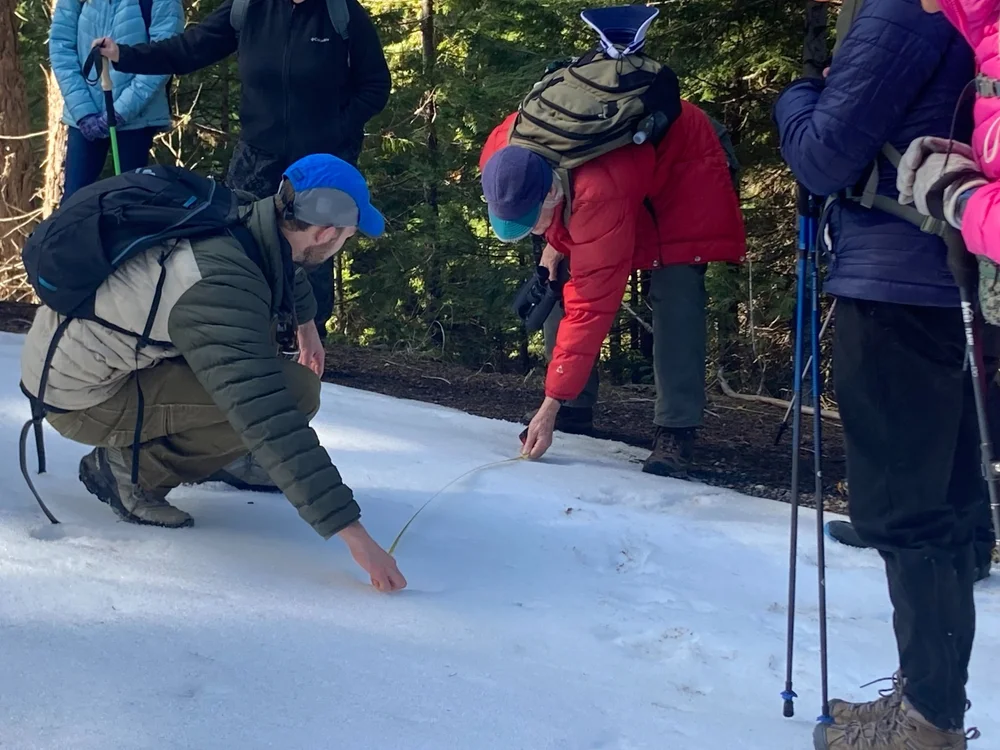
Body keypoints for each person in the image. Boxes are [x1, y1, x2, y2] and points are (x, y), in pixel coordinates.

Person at [19, 153, 407, 593]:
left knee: (261, 365)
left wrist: (307, 324)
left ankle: (221, 453)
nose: (343, 246)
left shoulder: (245, 212)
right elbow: (265, 413)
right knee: (292, 392)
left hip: (71, 358)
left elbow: (280, 265)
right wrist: (354, 536)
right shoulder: (220, 283)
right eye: (348, 238)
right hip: (82, 398)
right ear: (327, 232)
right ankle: (130, 471)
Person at [773, 0, 991, 746]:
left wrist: (797, 96)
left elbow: (824, 155)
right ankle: (932, 703)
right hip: (968, 284)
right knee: (953, 505)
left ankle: (927, 723)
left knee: (908, 512)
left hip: (896, 284)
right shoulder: (966, 17)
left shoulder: (904, 10)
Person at [92, 0, 392, 341]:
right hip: (257, 151)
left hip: (321, 159)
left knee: (313, 249)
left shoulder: (341, 13)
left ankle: (305, 338)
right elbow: (190, 49)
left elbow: (376, 85)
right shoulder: (248, 8)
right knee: (240, 236)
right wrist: (125, 55)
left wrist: (336, 129)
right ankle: (241, 328)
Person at [479, 101, 746, 466]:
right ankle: (574, 405)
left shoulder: (597, 190)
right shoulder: (501, 152)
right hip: (616, 171)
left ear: (552, 194)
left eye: (533, 221)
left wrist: (547, 404)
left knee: (676, 288)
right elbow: (555, 218)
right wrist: (553, 243)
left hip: (686, 165)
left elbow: (592, 303)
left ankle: (675, 428)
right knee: (559, 275)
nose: (534, 231)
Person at [49, 0, 184, 198]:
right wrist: (84, 113)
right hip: (85, 119)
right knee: (74, 205)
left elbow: (163, 57)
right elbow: (61, 49)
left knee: (129, 203)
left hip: (137, 119)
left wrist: (120, 112)